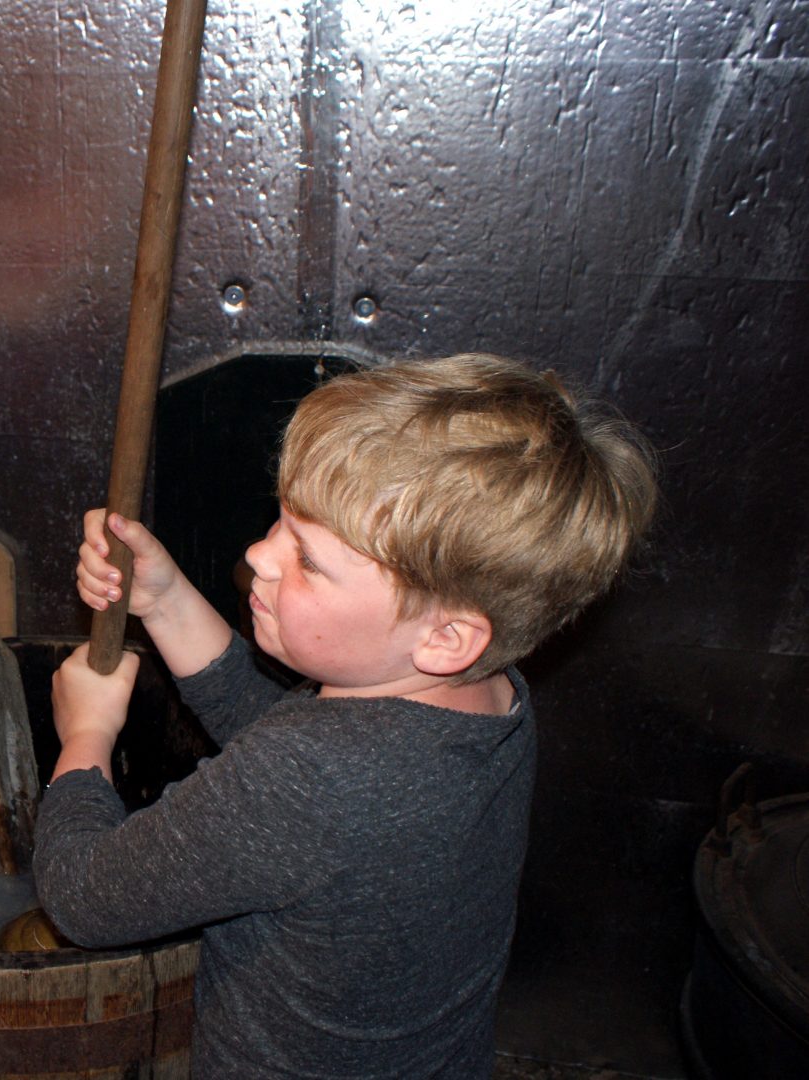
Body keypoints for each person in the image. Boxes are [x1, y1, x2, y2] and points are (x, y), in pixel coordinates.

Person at [34, 354, 660, 1077]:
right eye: (281, 520)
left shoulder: (310, 776)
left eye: (307, 559)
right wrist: (168, 600)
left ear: (445, 637)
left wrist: (85, 733)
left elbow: (84, 898)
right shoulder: (492, 696)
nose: (259, 555)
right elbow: (294, 750)